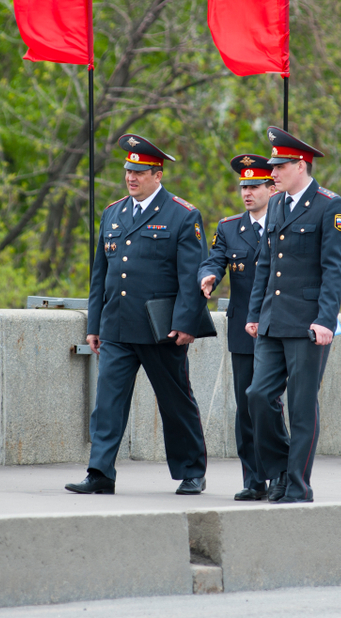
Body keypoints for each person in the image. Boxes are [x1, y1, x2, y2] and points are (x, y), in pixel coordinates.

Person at [66, 134, 210, 496]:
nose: (131, 177)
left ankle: (191, 470)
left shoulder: (182, 214)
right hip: (116, 326)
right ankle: (100, 472)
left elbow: (191, 277)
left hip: (161, 329)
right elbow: (100, 273)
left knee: (175, 403)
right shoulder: (113, 212)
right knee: (107, 404)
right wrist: (94, 324)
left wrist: (186, 323)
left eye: (140, 172)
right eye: (128, 170)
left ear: (157, 175)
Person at [244, 127, 341, 503]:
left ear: (300, 165)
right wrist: (255, 312)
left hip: (308, 322)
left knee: (302, 405)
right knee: (258, 395)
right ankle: (280, 472)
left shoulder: (329, 205)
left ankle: (298, 486)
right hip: (273, 319)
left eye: (279, 166)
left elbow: (334, 269)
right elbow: (265, 264)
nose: (272, 173)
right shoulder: (276, 204)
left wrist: (326, 320)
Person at [198, 154, 276, 501]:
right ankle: (254, 479)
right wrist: (209, 275)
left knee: (270, 403)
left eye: (255, 186)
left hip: (278, 327)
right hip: (244, 329)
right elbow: (216, 258)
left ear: (272, 188)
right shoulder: (230, 227)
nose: (247, 192)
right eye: (243, 186)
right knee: (246, 406)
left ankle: (282, 472)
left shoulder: (286, 222)